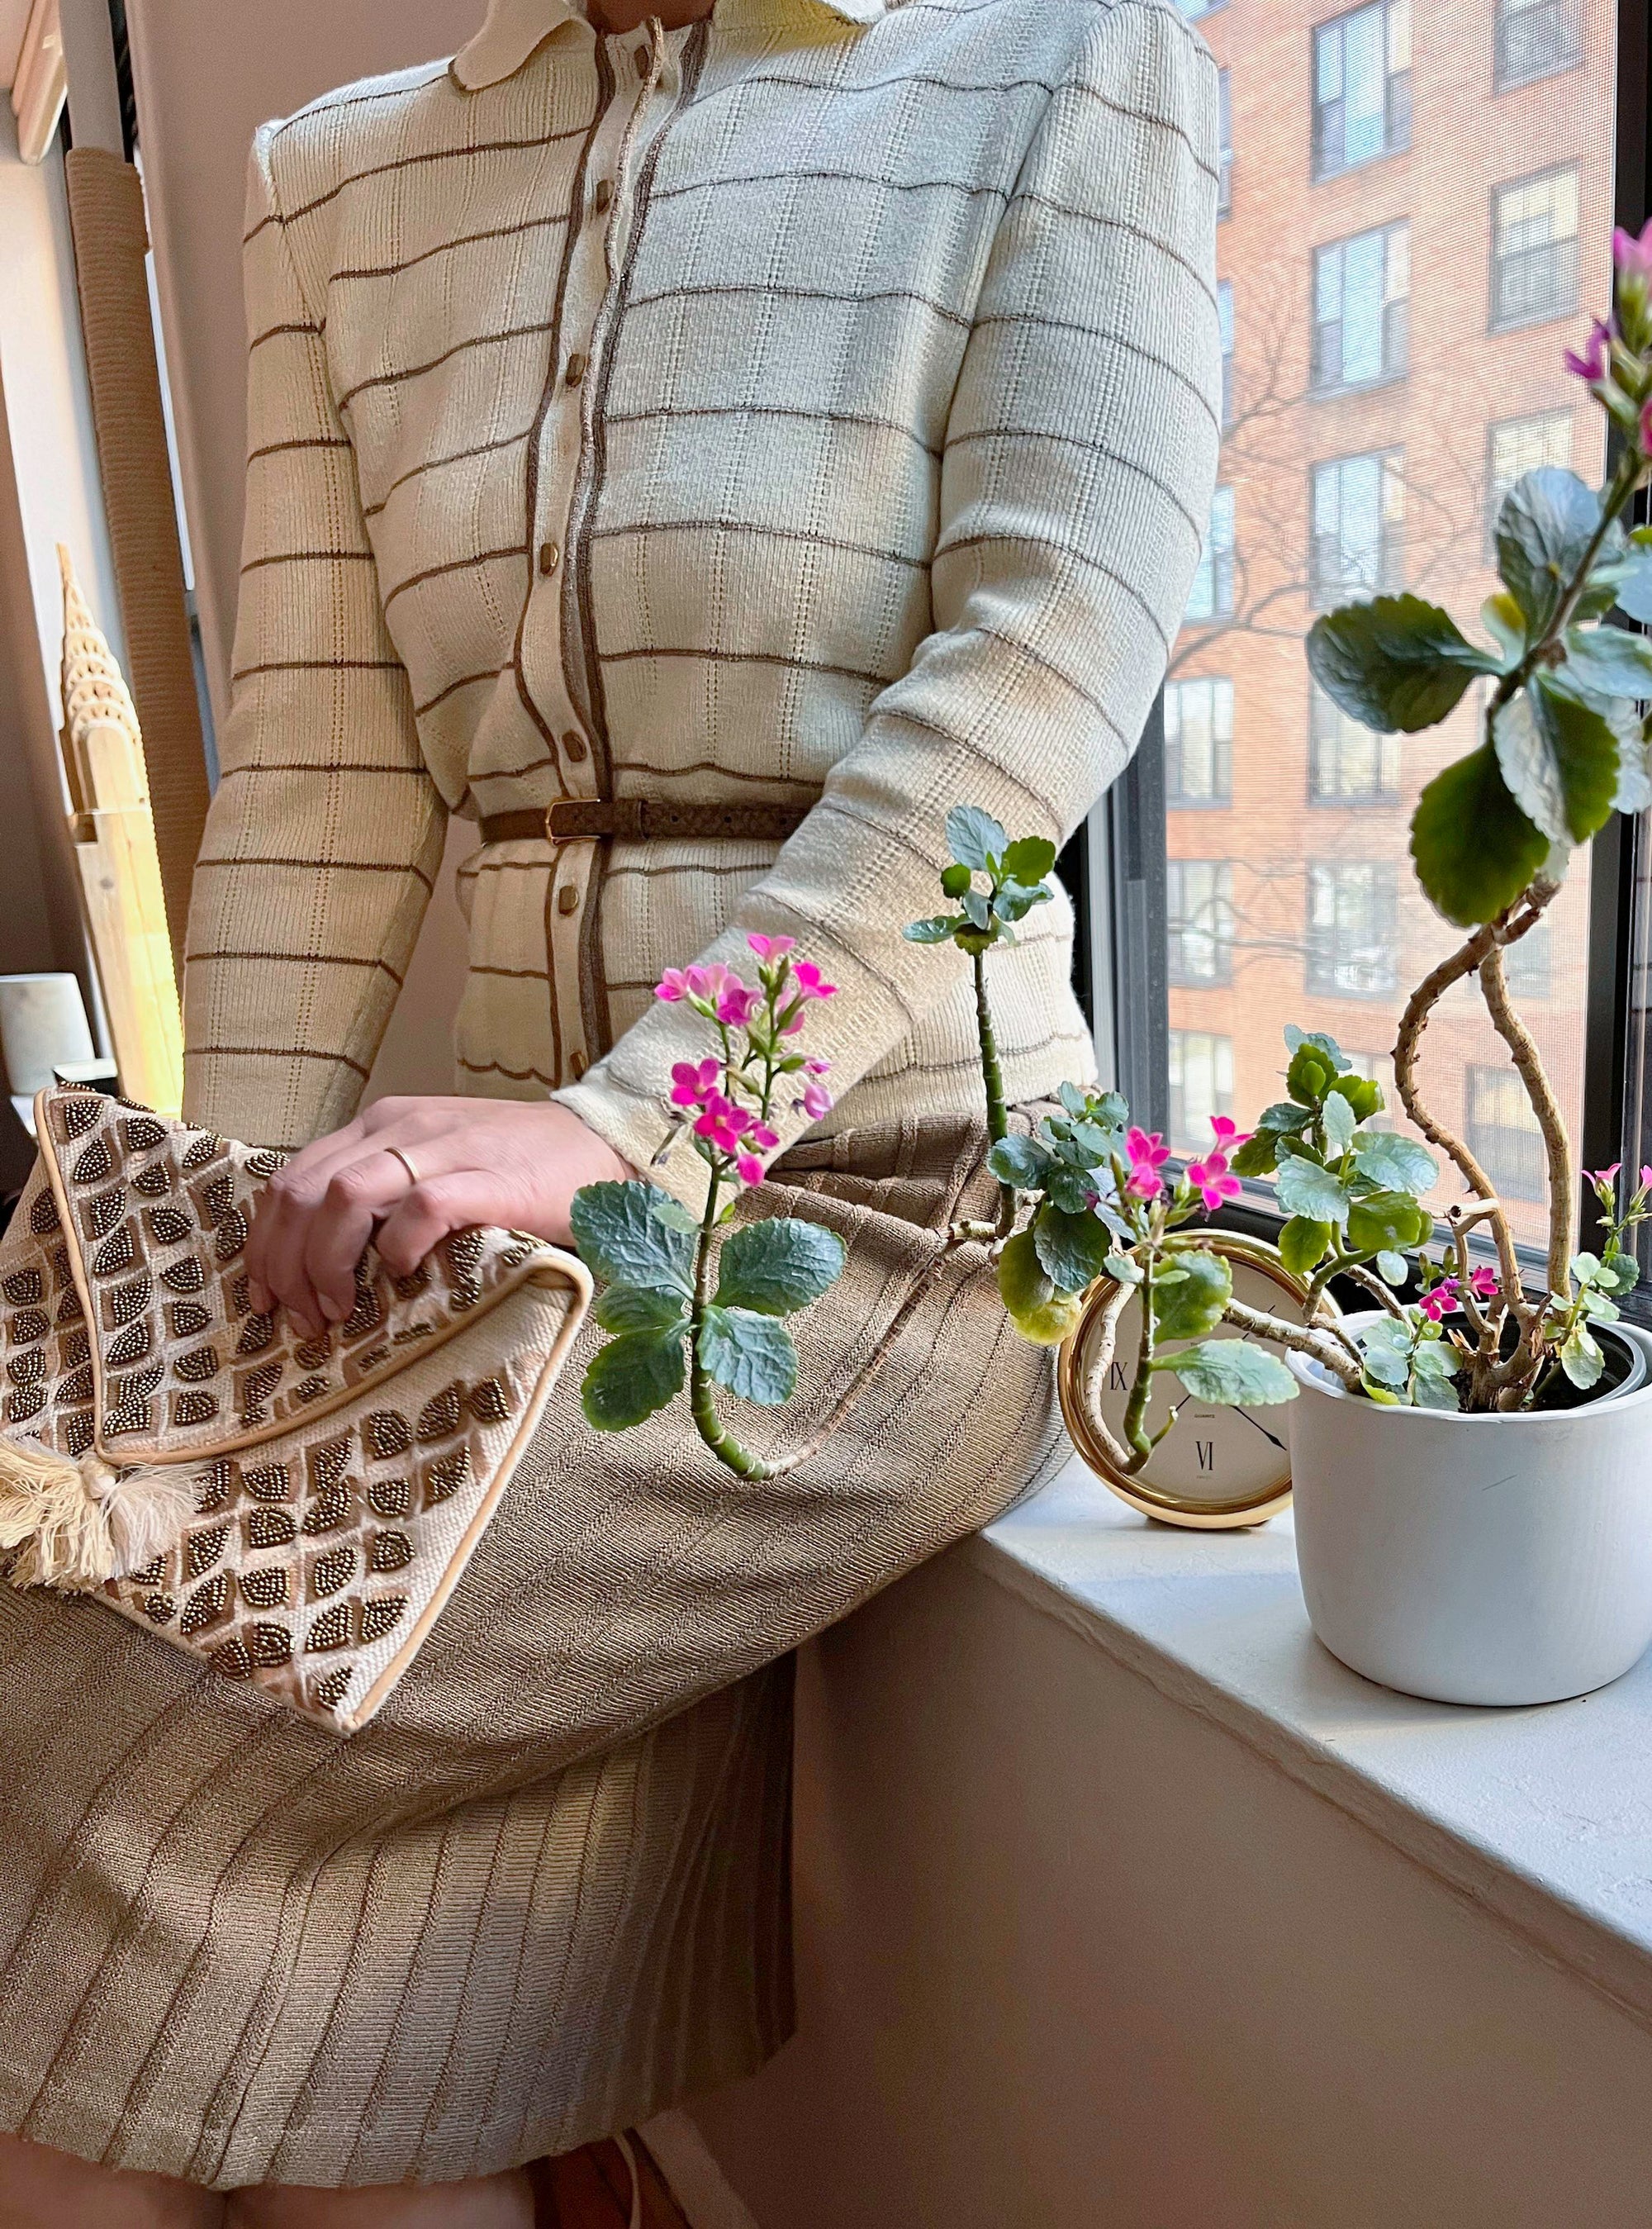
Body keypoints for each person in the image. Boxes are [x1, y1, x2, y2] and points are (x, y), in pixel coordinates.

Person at [0, 0, 1219, 2217]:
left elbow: (1043, 668)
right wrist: (189, 1295)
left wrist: (652, 1124)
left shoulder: (1065, 66)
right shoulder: (337, 182)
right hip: (535, 1207)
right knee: (348, 1981)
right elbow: (316, 792)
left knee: (99, 1712)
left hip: (909, 1225)